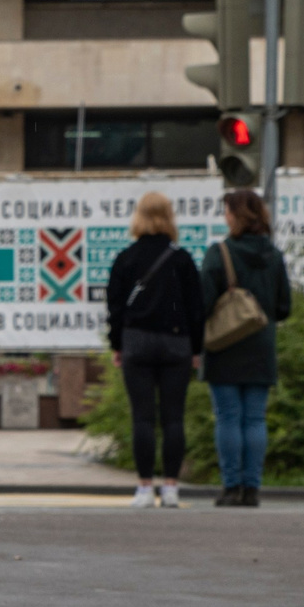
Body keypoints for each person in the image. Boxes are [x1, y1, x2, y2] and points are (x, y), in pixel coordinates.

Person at [104, 190, 205, 509]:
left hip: (137, 341)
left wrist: (117, 344)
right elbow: (196, 308)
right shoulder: (182, 259)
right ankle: (172, 487)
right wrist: (196, 348)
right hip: (177, 343)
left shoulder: (126, 258)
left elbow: (115, 307)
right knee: (174, 417)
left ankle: (145, 488)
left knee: (143, 418)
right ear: (169, 217)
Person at [201, 187, 292, 508]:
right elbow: (284, 307)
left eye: (227, 211)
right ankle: (252, 489)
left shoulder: (219, 253)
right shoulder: (275, 256)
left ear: (237, 216)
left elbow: (202, 303)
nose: (224, 217)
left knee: (228, 417)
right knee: (255, 419)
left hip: (225, 346)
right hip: (261, 346)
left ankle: (231, 487)